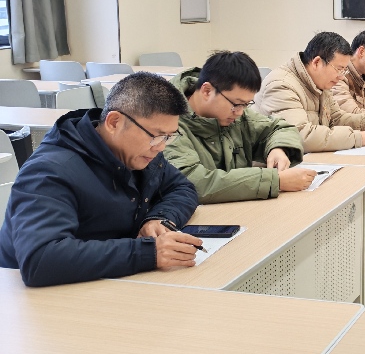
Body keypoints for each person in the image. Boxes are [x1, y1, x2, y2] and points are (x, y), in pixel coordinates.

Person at [0, 73, 201, 287]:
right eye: (156, 136)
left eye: (168, 137)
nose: (161, 147)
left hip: (105, 280)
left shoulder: (140, 154)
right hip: (42, 297)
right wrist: (148, 253)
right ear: (114, 122)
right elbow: (41, 260)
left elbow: (182, 188)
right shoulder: (50, 171)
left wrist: (158, 218)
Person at [166, 51, 316, 204]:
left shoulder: (233, 115)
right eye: (237, 104)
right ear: (207, 91)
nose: (240, 112)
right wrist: (274, 181)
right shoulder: (166, 123)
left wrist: (278, 149)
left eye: (246, 104)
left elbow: (280, 128)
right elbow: (194, 182)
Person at [255, 32, 365, 153]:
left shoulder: (320, 83)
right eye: (339, 69)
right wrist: (362, 138)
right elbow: (300, 135)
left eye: (344, 70)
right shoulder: (282, 85)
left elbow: (336, 117)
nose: (341, 76)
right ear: (317, 62)